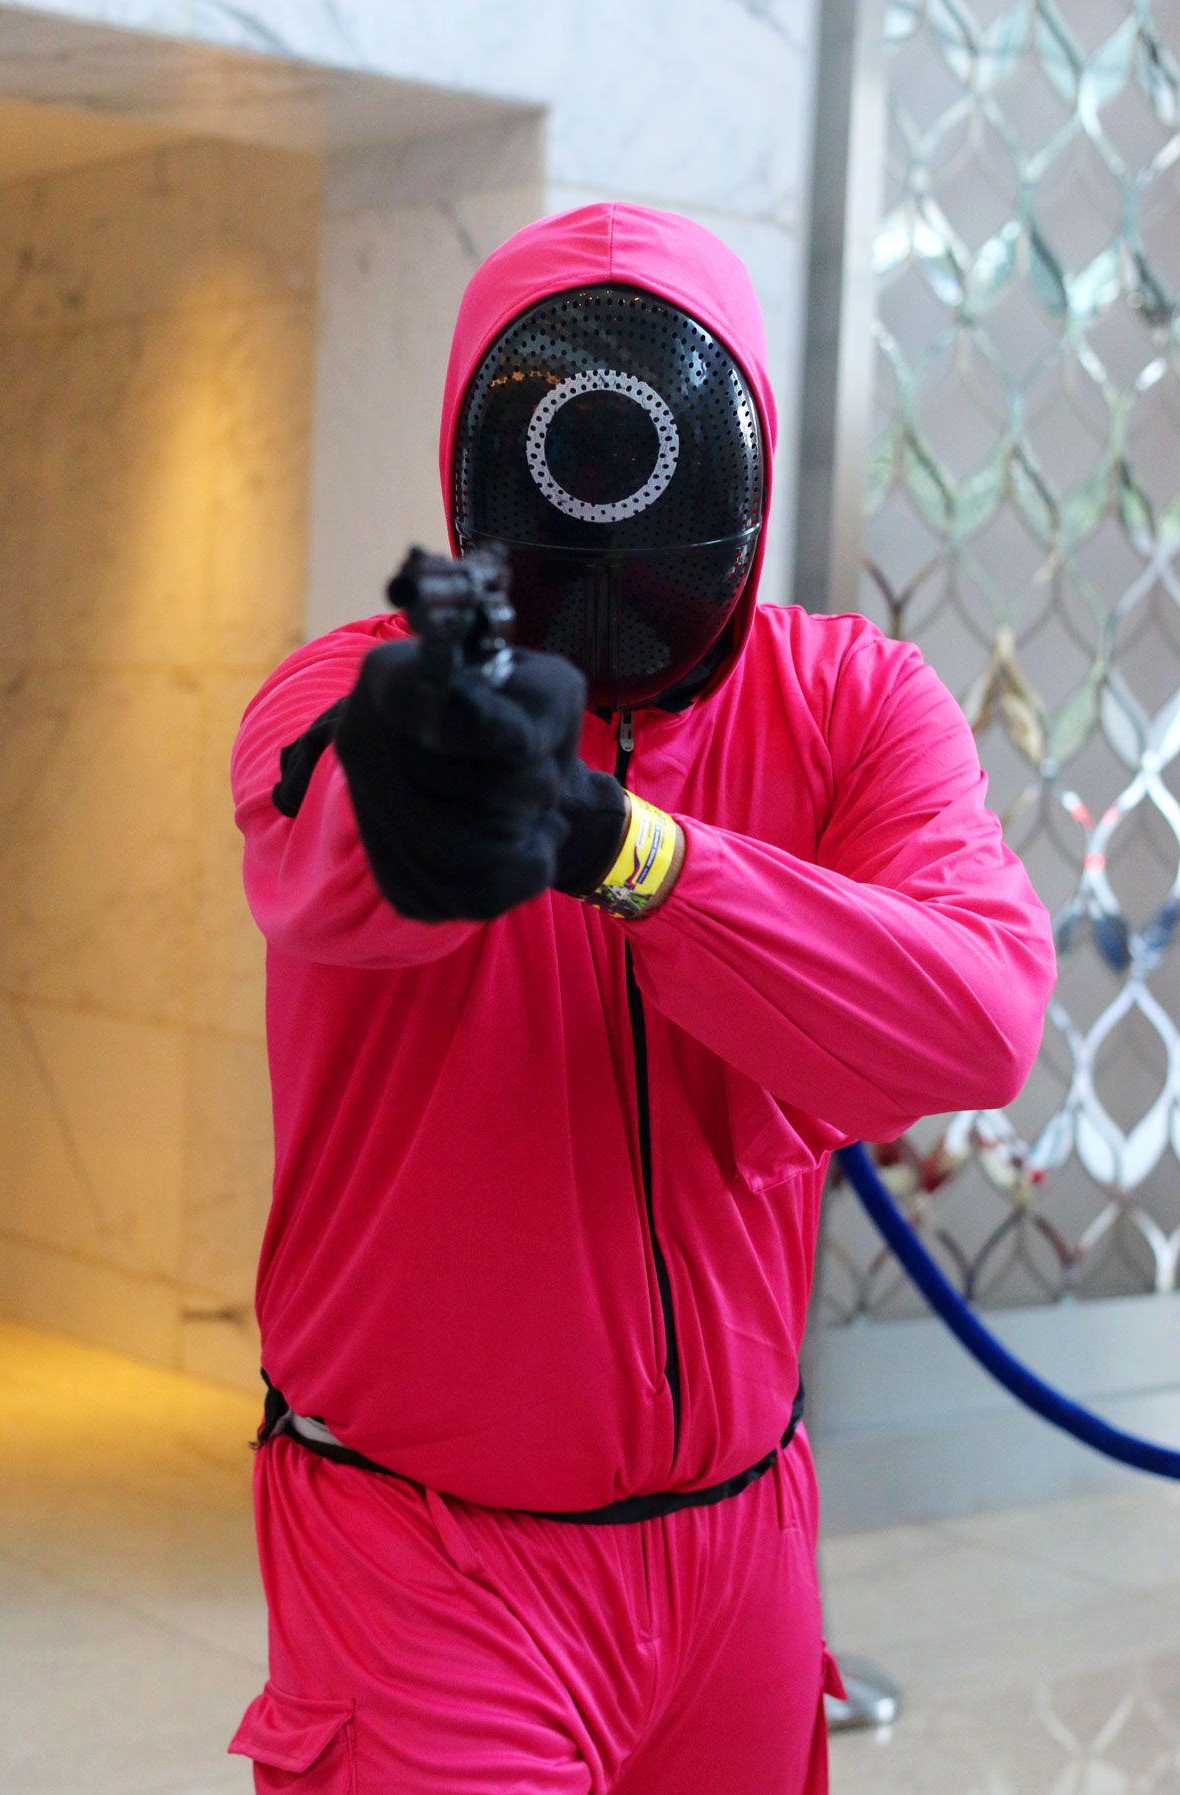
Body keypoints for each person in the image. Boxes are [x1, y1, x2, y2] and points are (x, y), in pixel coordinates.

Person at [225, 202, 1057, 1793]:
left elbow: (980, 1014)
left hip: (739, 1554)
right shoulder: (347, 700)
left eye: (650, 442)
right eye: (572, 442)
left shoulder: (854, 706)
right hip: (427, 1564)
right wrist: (421, 789)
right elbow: (329, 850)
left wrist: (631, 853)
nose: (613, 497)